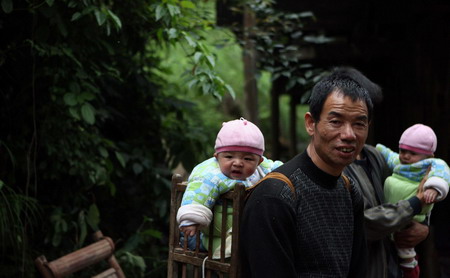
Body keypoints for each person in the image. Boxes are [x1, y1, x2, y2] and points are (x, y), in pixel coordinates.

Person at [240, 67, 371, 277]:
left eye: (359, 124)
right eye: (336, 121)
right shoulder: (275, 195)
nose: (349, 134)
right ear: (311, 124)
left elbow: (358, 269)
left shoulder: (349, 191)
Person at [341, 68, 431, 278]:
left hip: (388, 266)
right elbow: (363, 225)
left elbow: (415, 184)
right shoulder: (333, 166)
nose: (349, 132)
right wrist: (414, 205)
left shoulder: (375, 156)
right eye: (339, 119)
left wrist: (423, 225)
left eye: (360, 119)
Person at [176, 117, 282, 257]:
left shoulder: (262, 170)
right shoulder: (210, 174)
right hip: (215, 236)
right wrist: (191, 220)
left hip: (244, 233)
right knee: (230, 254)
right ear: (217, 156)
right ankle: (199, 243)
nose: (238, 163)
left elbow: (280, 172)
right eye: (229, 156)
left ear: (259, 161)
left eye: (248, 159)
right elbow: (197, 193)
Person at [376, 123, 450, 275]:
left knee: (405, 248)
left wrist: (433, 188)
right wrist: (377, 148)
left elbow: (441, 174)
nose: (406, 156)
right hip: (391, 211)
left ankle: (411, 270)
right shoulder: (400, 162)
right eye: (403, 150)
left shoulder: (433, 164)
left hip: (412, 213)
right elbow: (389, 156)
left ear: (429, 156)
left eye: (412, 153)